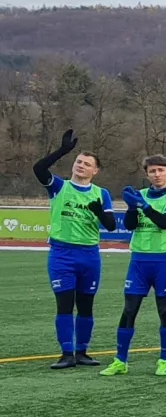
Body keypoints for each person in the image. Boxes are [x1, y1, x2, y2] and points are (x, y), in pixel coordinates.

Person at [33, 130, 116, 369]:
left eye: (87, 164)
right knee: (65, 305)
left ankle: (82, 352)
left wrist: (99, 212)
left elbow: (111, 226)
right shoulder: (59, 187)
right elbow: (39, 169)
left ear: (95, 171)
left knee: (86, 305)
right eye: (78, 161)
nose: (81, 165)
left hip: (89, 255)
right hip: (62, 254)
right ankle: (66, 354)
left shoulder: (101, 194)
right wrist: (62, 151)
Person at [104, 153, 166, 377]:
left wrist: (143, 205)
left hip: (164, 259)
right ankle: (120, 361)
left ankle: (164, 360)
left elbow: (165, 222)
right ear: (147, 174)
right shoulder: (139, 195)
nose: (157, 174)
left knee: (164, 310)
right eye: (152, 171)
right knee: (129, 309)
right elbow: (130, 226)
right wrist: (132, 208)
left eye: (160, 170)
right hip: (139, 260)